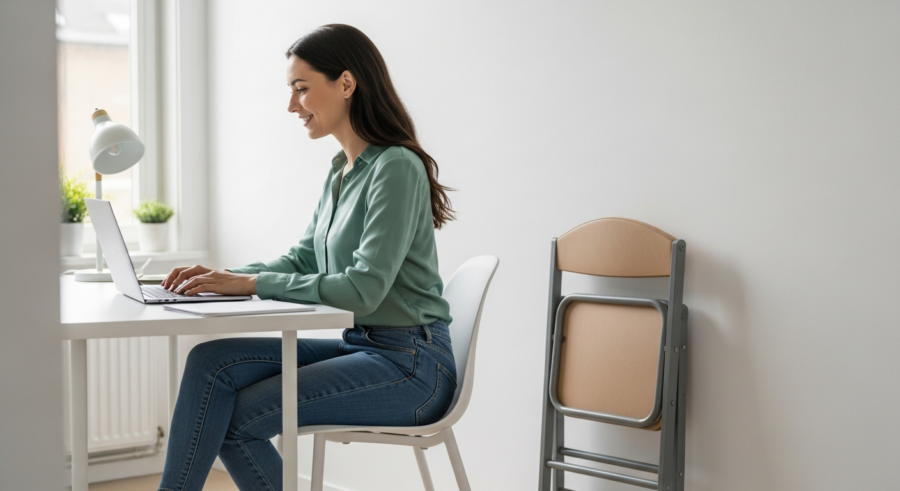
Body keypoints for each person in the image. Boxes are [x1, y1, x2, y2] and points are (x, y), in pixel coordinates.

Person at [157, 24, 456, 491]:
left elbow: (362, 289)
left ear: (346, 83)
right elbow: (304, 258)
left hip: (412, 367)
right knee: (210, 361)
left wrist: (251, 286)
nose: (292, 106)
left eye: (301, 89)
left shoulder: (396, 166)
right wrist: (228, 276)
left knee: (238, 421)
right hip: (365, 345)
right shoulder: (341, 171)